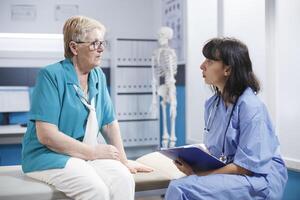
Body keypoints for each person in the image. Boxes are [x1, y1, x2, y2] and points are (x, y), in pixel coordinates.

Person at [22, 15, 152, 200]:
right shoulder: (50, 76)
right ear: (74, 47)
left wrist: (123, 161)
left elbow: (108, 123)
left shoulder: (97, 75)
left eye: (102, 43)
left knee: (123, 178)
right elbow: (46, 135)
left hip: (83, 154)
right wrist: (93, 152)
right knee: (95, 189)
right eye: (94, 44)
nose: (100, 50)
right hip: (47, 155)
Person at [164, 37, 288, 200]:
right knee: (183, 183)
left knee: (181, 188)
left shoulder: (251, 107)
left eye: (209, 61)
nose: (202, 66)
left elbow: (246, 167)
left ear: (227, 69)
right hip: (232, 172)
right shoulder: (213, 104)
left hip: (258, 179)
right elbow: (217, 153)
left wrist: (199, 174)